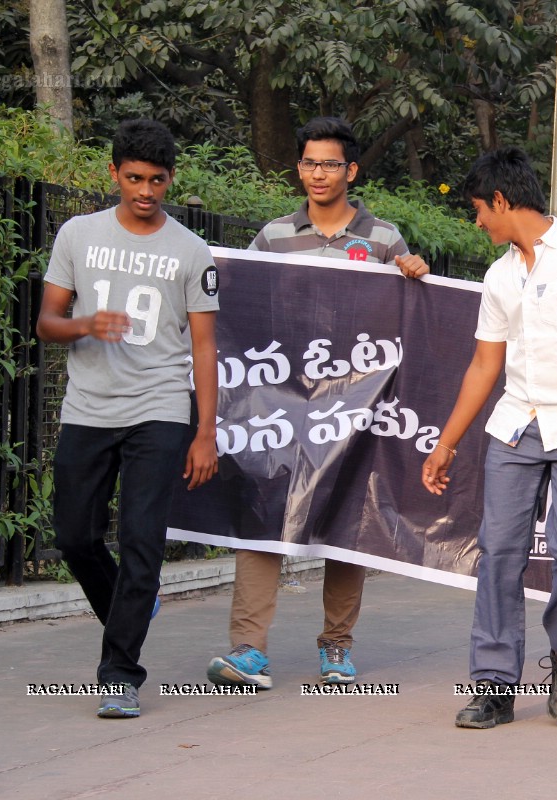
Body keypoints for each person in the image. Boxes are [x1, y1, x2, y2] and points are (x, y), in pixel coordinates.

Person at [421, 146, 557, 728]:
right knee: (498, 553)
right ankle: (493, 685)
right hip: (517, 426)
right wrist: (445, 442)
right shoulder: (498, 276)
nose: (477, 223)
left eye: (478, 211)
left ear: (501, 200)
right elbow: (483, 367)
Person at [207, 117, 429, 690]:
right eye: (309, 162)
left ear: (351, 171)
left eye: (329, 164)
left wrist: (414, 275)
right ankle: (248, 649)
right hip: (282, 403)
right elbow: (241, 303)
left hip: (352, 408)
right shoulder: (274, 235)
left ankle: (336, 647)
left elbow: (408, 320)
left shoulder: (383, 239)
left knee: (346, 520)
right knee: (263, 515)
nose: (318, 174)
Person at [36, 119, 220, 718]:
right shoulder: (77, 234)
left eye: (157, 180)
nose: (145, 190)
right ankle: (131, 601)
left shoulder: (191, 251)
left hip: (160, 409)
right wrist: (85, 324)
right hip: (88, 407)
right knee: (75, 538)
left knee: (142, 543)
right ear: (114, 174)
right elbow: (46, 323)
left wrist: (205, 431)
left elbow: (203, 348)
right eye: (134, 177)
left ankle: (119, 673)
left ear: (171, 180)